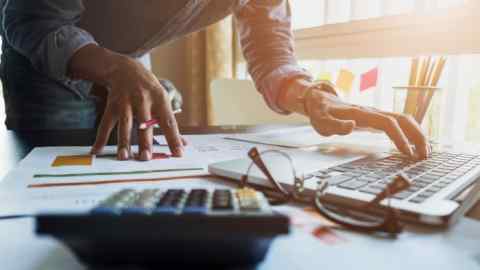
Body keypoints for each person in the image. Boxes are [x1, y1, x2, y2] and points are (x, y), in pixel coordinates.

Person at [0, 0, 429, 161]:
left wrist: (310, 95)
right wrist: (111, 67)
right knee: (51, 185)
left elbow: (269, 42)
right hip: (48, 55)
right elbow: (29, 15)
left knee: (129, 175)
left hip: (132, 58)